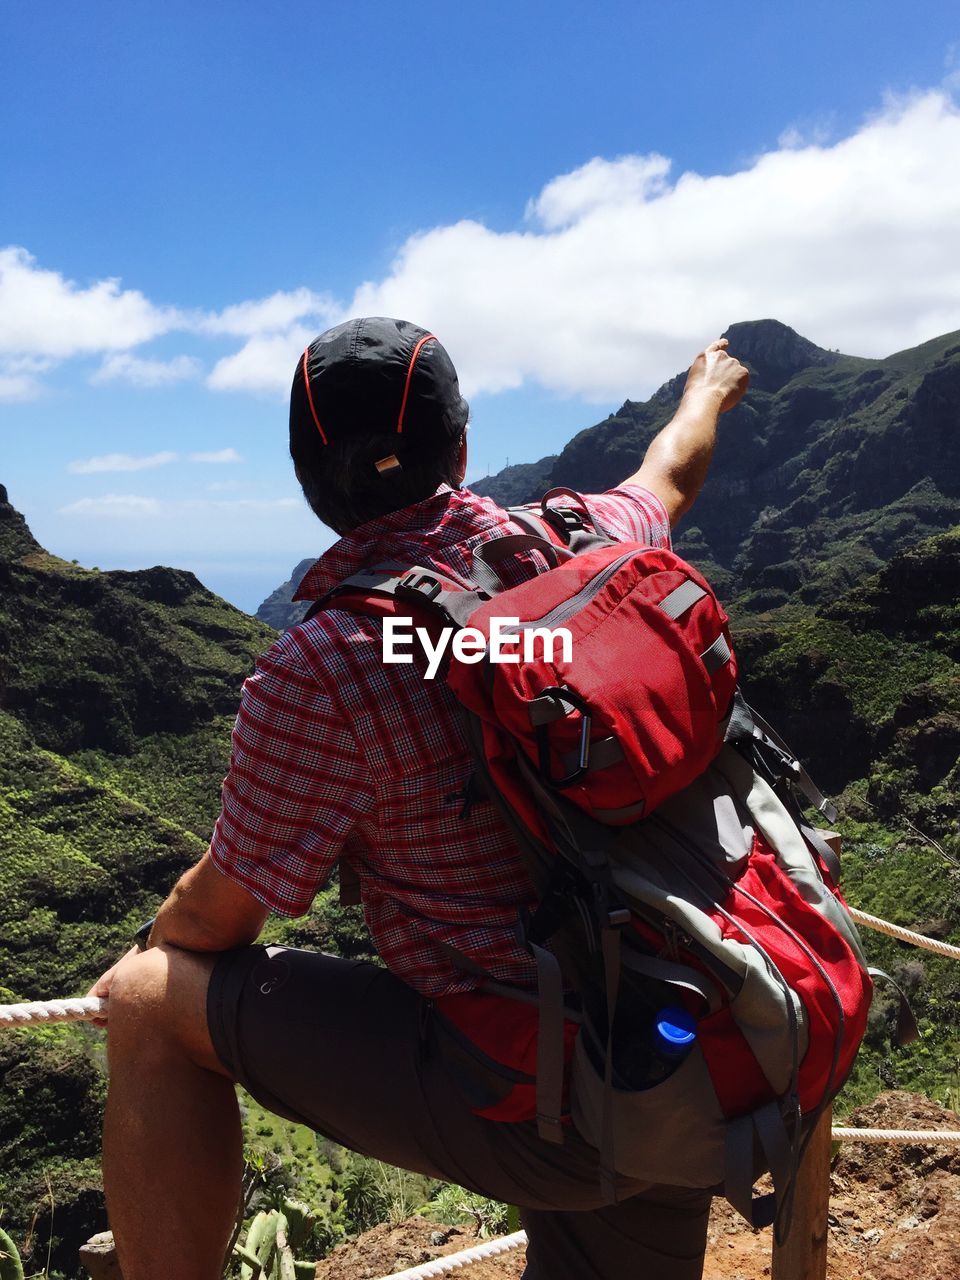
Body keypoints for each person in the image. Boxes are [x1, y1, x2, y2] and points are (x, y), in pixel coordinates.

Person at [89, 317, 749, 1280]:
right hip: (696, 1038)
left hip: (545, 1095)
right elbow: (669, 477)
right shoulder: (576, 537)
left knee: (151, 999)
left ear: (309, 479)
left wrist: (147, 948)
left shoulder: (324, 665)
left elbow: (220, 916)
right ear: (463, 447)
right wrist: (707, 389)